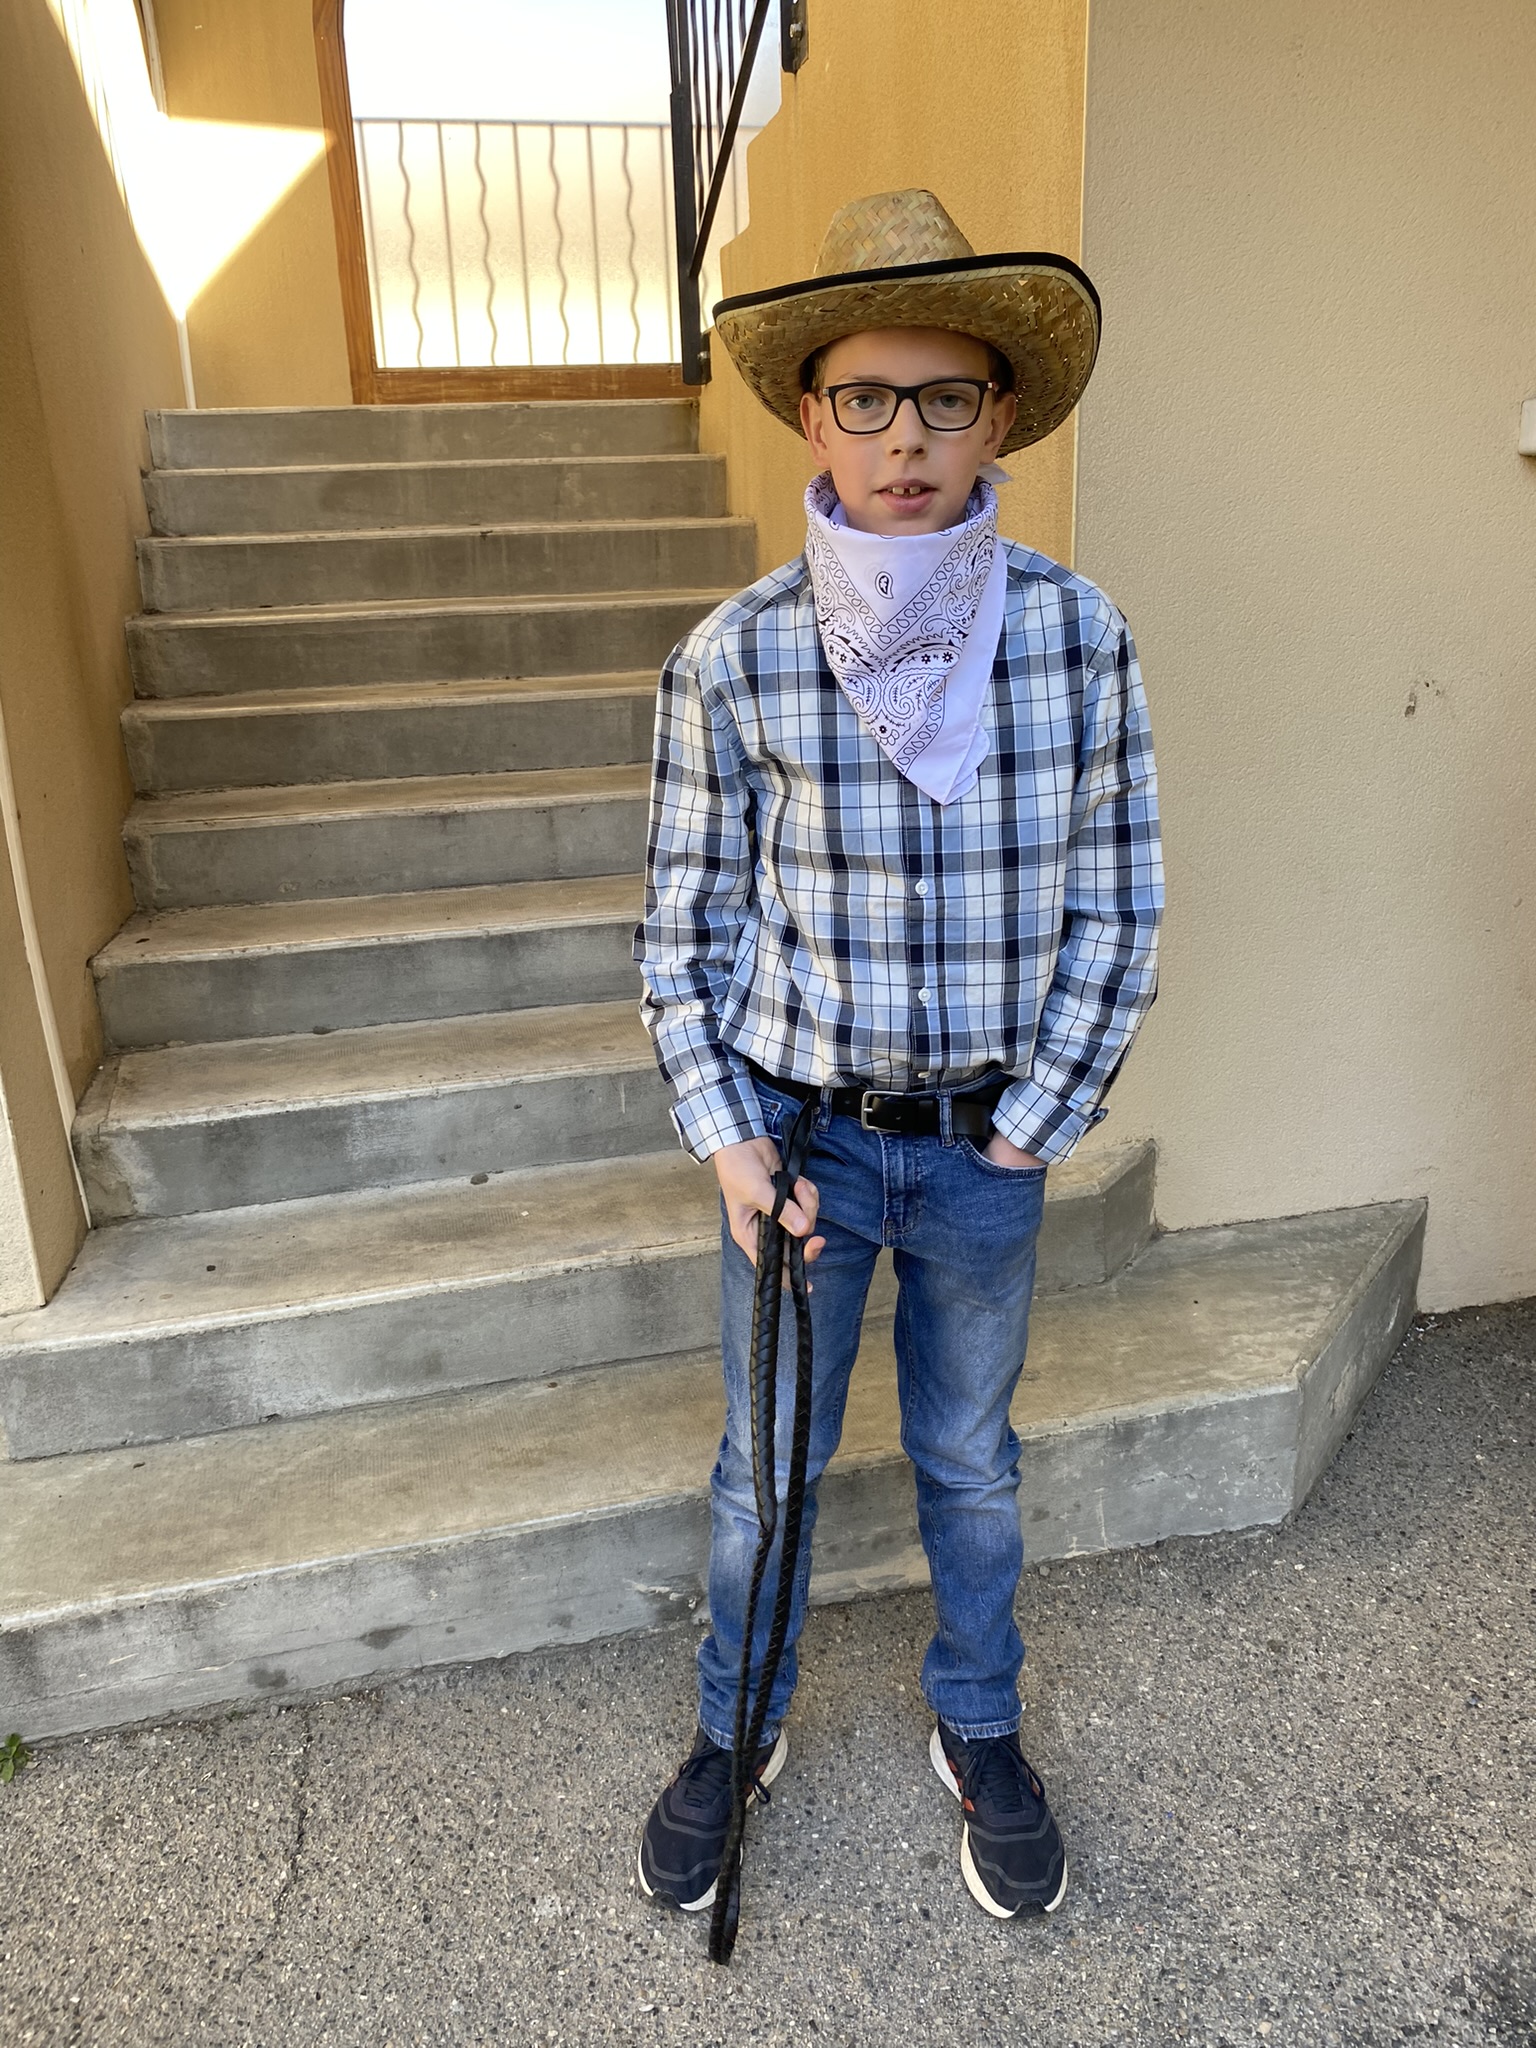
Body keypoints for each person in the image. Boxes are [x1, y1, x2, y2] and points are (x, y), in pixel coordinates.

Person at [633, 189, 1162, 1925]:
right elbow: (685, 932)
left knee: (971, 1463)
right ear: (813, 415)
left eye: (946, 399)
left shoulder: (1075, 638)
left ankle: (980, 1723)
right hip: (796, 1152)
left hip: (980, 1150)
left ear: (999, 416)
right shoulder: (736, 660)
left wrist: (1031, 1129)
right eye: (867, 398)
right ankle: (735, 1724)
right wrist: (733, 1144)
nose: (906, 439)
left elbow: (1120, 905)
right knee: (764, 1466)